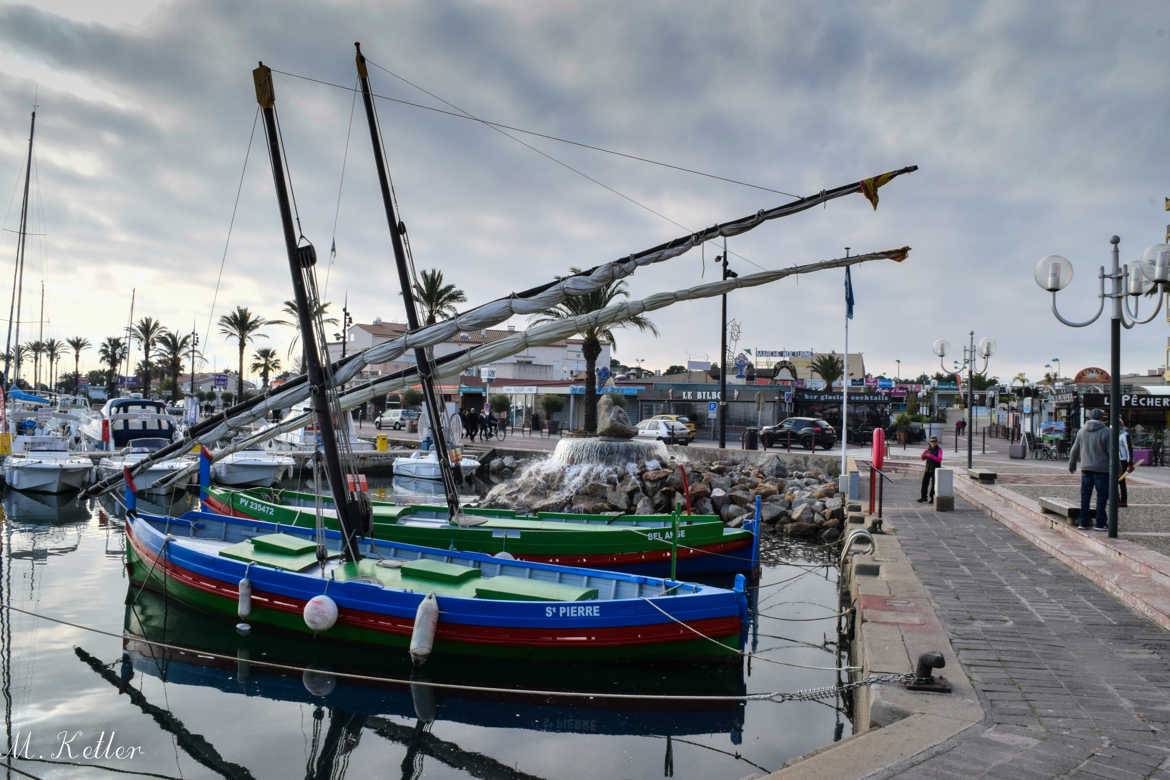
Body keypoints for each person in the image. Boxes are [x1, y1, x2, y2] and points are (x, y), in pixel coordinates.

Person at [1068, 408, 1111, 531]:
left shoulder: (1082, 431)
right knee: (1102, 497)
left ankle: (1083, 521)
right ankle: (1100, 523)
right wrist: (1117, 470)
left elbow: (1074, 449)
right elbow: (1111, 453)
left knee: (1085, 496)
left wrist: (1072, 464)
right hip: (1102, 469)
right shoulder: (1107, 432)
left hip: (1086, 468)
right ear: (1102, 418)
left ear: (1089, 417)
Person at [918, 436, 943, 503]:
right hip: (928, 468)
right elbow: (923, 458)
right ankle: (923, 497)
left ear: (936, 442)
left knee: (934, 484)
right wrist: (923, 455)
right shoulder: (928, 450)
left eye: (934, 441)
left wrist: (930, 456)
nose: (933, 443)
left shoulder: (939, 450)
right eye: (932, 441)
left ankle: (932, 498)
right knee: (924, 483)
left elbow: (939, 459)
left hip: (935, 468)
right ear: (930, 442)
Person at [1118, 422, 1132, 508]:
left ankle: (1123, 501)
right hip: (1114, 460)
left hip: (1122, 460)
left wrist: (1130, 462)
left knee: (1121, 481)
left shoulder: (1124, 435)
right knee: (1112, 481)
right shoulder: (1112, 434)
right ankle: (1116, 499)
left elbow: (1129, 448)